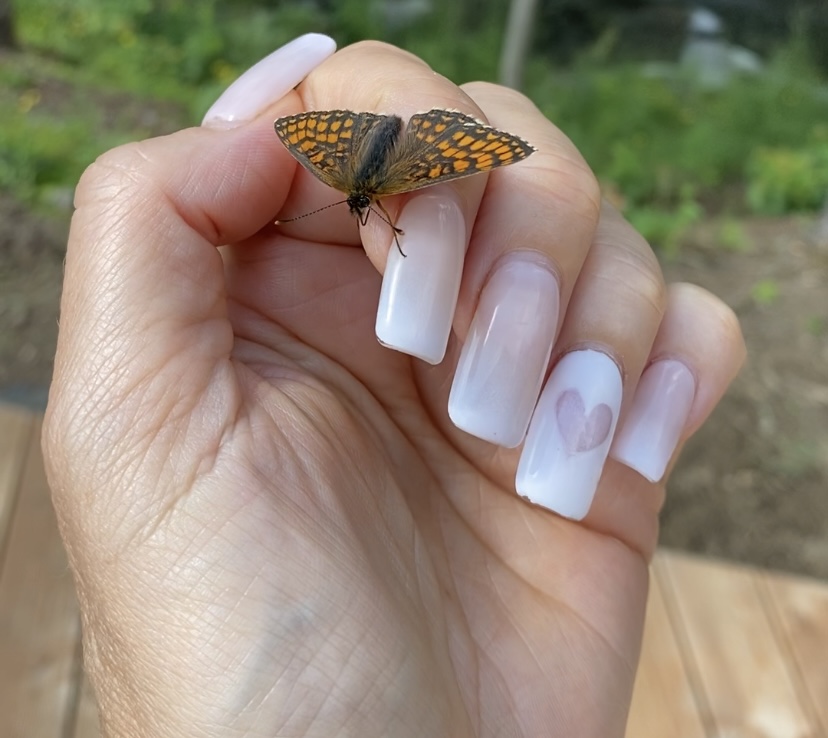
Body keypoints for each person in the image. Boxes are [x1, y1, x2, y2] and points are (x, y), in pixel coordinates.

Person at [42, 35, 745, 737]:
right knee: (440, 192)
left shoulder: (347, 176)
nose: (359, 211)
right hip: (402, 154)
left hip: (375, 154)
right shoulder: (359, 190)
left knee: (449, 194)